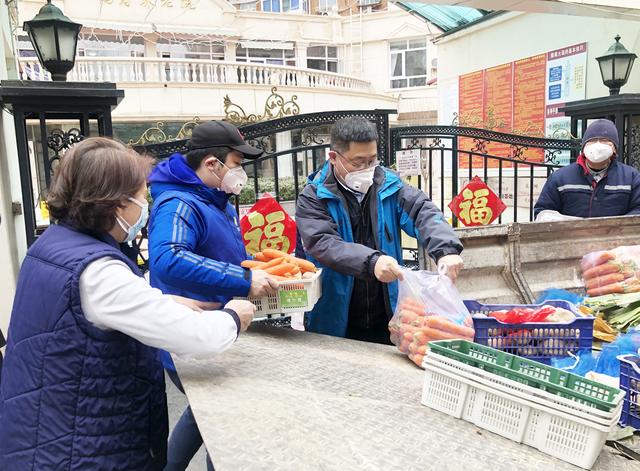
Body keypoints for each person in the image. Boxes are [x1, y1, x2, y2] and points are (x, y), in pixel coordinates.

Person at [0, 138, 255, 470]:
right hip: (83, 447)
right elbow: (198, 337)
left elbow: (89, 311)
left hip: (46, 430)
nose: (144, 205)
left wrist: (162, 300)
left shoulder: (53, 246)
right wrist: (234, 315)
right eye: (140, 196)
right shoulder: (98, 271)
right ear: (116, 204)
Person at [147, 120, 278, 470]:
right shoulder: (179, 203)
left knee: (205, 412)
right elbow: (169, 258)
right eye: (236, 164)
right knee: (221, 418)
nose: (240, 173)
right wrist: (241, 279)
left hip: (216, 328)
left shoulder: (213, 199)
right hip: (189, 334)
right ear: (211, 164)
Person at [295, 116, 464, 343]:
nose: (367, 169)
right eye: (358, 162)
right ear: (334, 158)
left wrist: (446, 249)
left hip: (387, 315)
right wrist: (372, 262)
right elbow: (323, 243)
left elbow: (422, 211)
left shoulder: (390, 185)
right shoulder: (314, 197)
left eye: (372, 160)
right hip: (334, 319)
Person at [535, 119, 640, 220]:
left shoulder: (631, 177)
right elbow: (543, 211)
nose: (598, 145)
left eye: (604, 141)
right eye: (592, 140)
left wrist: (615, 227)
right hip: (570, 237)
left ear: (614, 149)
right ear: (584, 147)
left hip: (617, 237)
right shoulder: (560, 178)